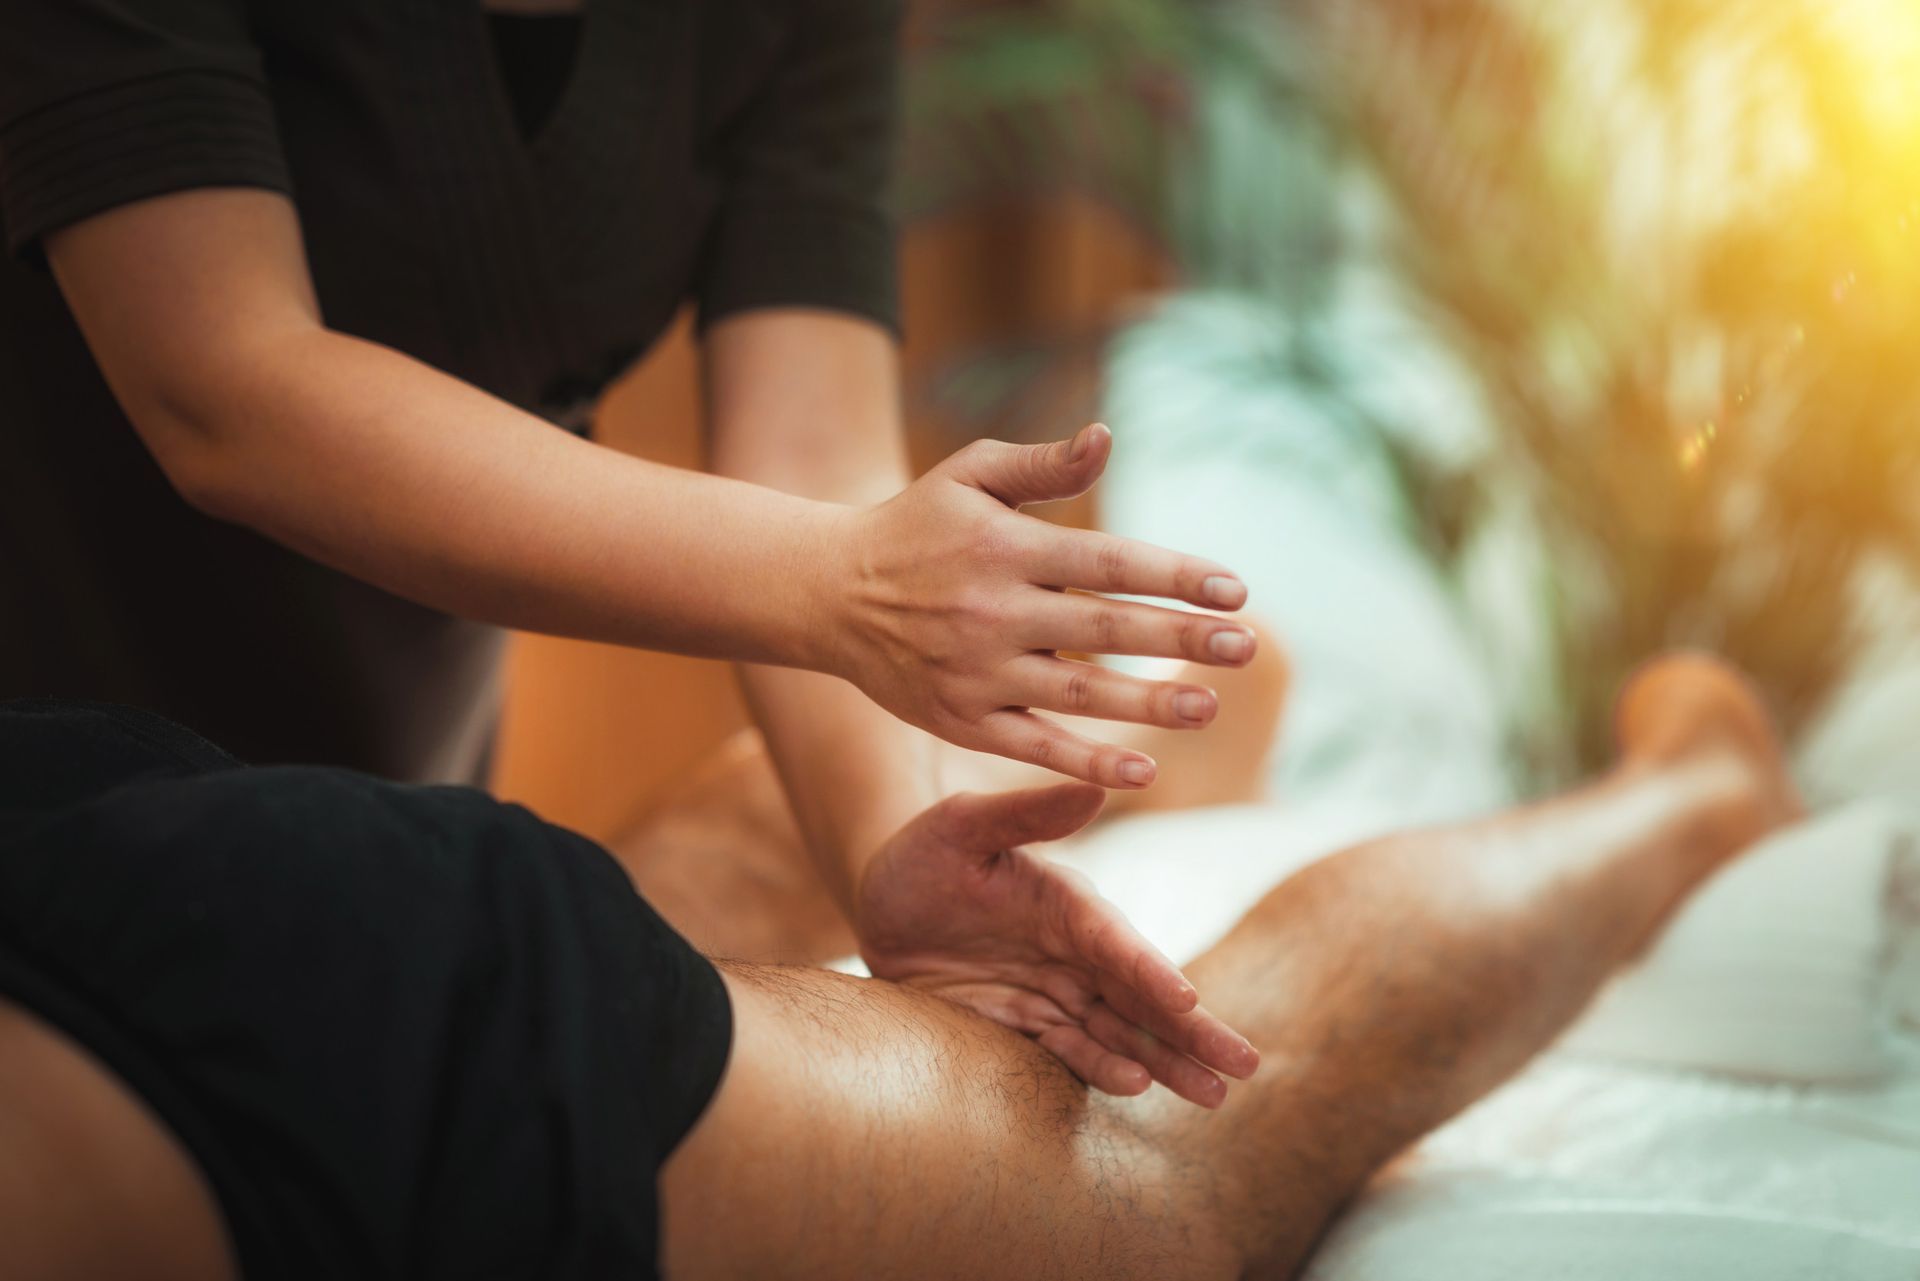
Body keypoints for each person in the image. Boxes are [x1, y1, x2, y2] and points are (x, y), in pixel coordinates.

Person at [0, 0, 1261, 1082]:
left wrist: (896, 849)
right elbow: (222, 386)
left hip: (375, 822)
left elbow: (815, 456)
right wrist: (852, 581)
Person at [0, 652, 1803, 1279]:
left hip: (272, 1031)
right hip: (132, 868)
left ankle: (1695, 786)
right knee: (597, 960)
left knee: (1159, 1174)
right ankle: (1156, 719)